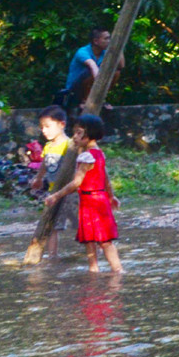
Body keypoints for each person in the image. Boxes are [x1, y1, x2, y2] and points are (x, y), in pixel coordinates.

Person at [44, 113, 122, 272]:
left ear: (90, 135)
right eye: (75, 132)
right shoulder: (98, 153)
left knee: (100, 240)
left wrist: (56, 195)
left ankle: (107, 270)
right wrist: (111, 195)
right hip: (97, 200)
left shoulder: (86, 156)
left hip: (92, 201)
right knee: (95, 239)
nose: (75, 137)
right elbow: (105, 176)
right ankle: (109, 270)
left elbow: (76, 183)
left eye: (79, 133)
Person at [29, 105, 77, 257]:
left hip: (70, 193)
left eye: (48, 126)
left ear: (62, 124)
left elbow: (77, 167)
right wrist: (38, 178)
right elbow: (45, 163)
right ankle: (52, 256)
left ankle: (95, 247)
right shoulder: (48, 146)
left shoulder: (69, 145)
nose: (44, 130)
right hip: (53, 192)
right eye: (42, 127)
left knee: (80, 224)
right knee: (53, 225)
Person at [64, 28, 120, 111]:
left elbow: (121, 66)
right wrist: (101, 84)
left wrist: (118, 47)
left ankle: (99, 100)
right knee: (90, 72)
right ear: (96, 41)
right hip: (75, 90)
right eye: (106, 39)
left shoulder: (104, 53)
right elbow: (92, 65)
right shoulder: (83, 51)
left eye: (109, 38)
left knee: (116, 73)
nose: (109, 41)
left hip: (92, 86)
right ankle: (85, 101)